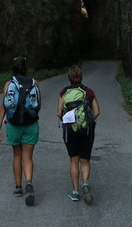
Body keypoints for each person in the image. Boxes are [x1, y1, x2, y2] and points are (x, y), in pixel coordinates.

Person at [0, 56, 40, 206]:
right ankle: (29, 183)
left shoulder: (8, 84)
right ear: (26, 68)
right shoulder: (35, 83)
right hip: (31, 124)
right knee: (28, 157)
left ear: (13, 69)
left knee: (17, 155)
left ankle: (18, 187)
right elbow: (38, 106)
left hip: (13, 124)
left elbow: (3, 107)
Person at [57, 65, 100, 204]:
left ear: (69, 78)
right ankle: (85, 183)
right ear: (81, 77)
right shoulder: (88, 91)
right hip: (87, 131)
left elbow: (58, 113)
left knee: (74, 160)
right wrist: (87, 121)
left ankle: (75, 192)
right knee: (85, 160)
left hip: (70, 132)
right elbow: (97, 111)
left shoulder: (64, 92)